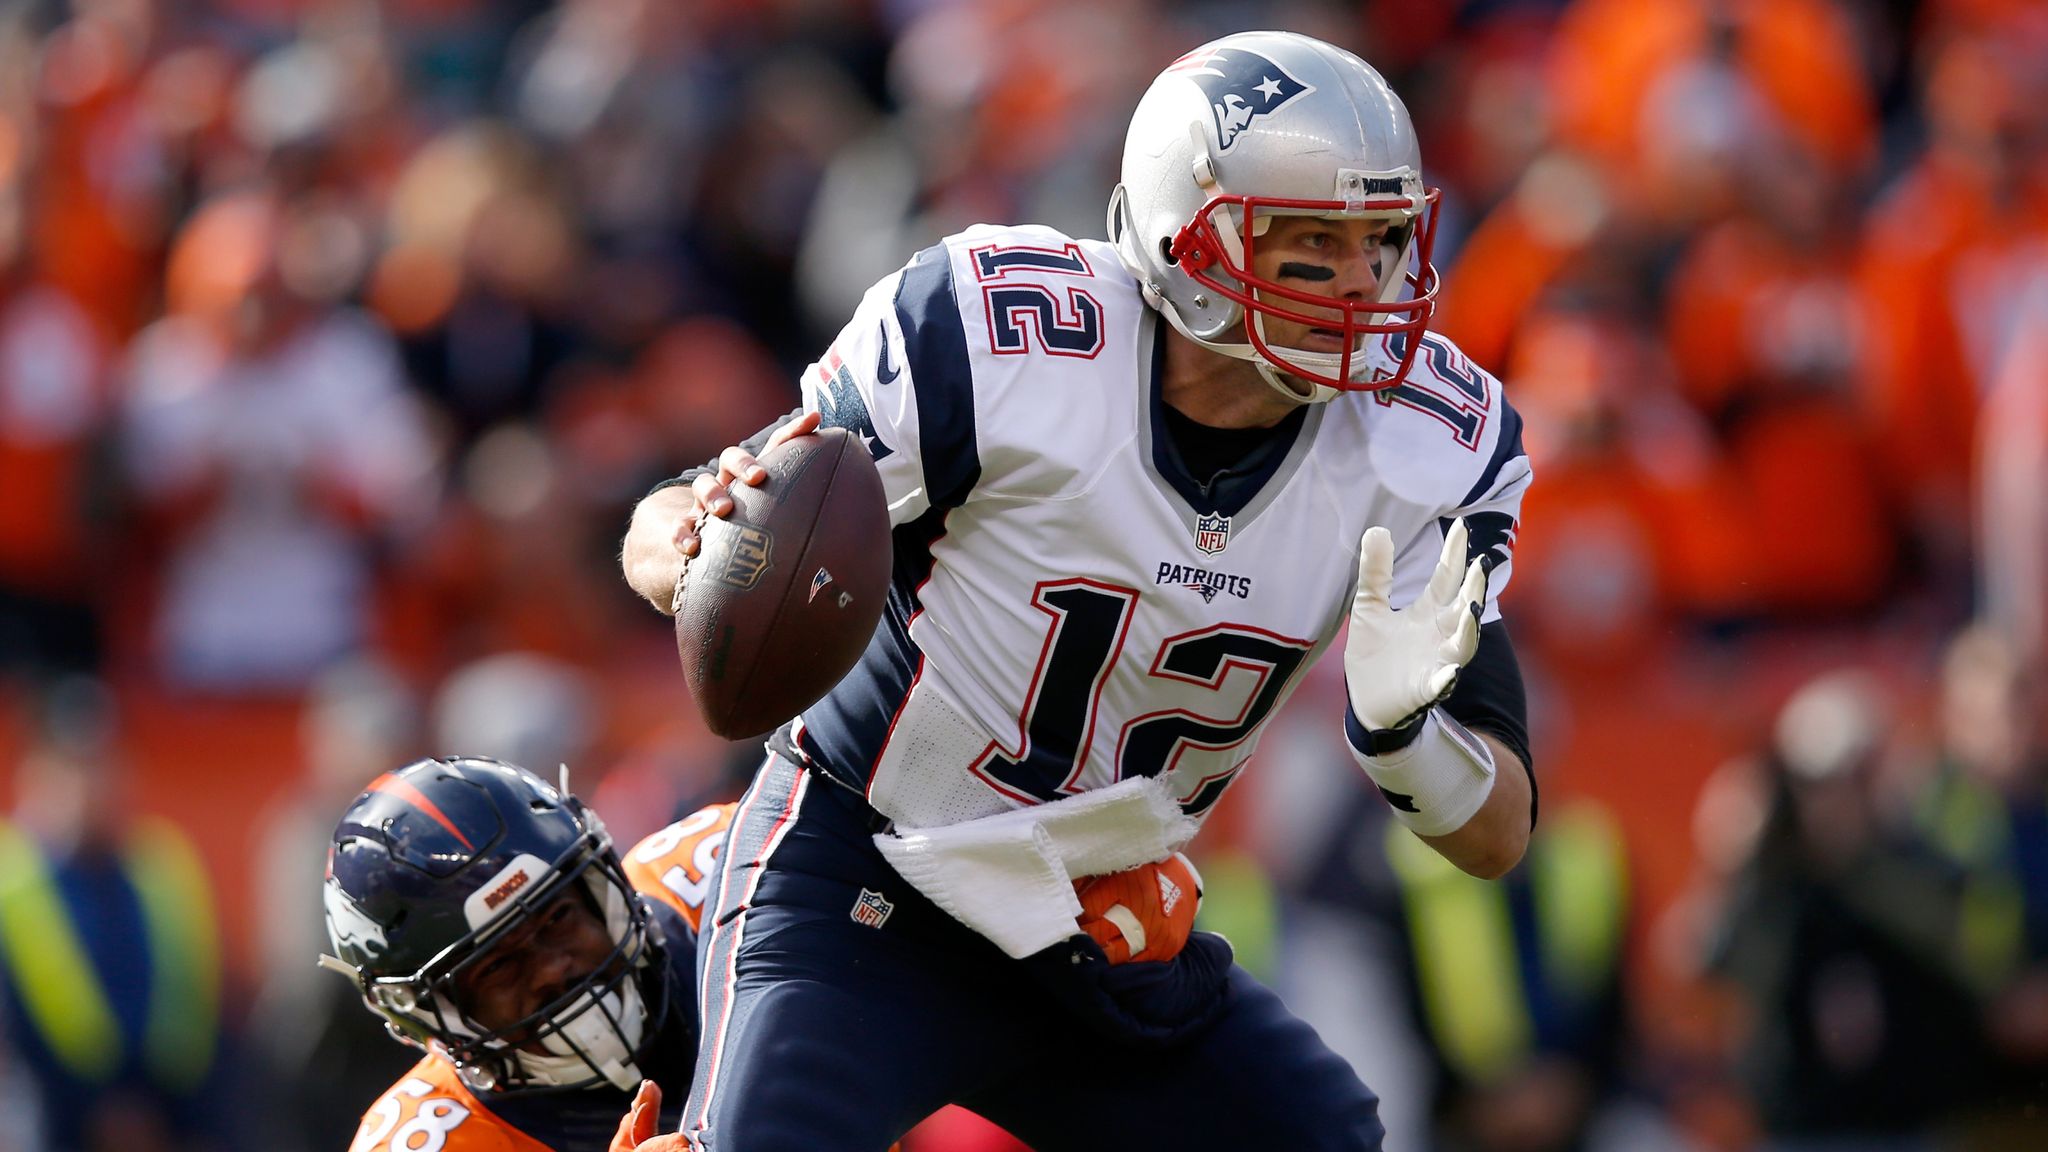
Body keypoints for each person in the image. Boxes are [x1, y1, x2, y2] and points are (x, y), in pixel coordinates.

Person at [618, 30, 1536, 1151]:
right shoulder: (998, 337)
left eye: (1382, 241)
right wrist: (708, 557)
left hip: (1100, 907)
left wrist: (1403, 745)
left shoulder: (1423, 443)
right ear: (1179, 237)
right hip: (862, 870)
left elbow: (1494, 836)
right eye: (1308, 246)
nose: (1362, 285)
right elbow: (675, 516)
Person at [320, 756, 736, 1152]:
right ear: (434, 1015)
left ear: (603, 894)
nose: (552, 968)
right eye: (498, 966)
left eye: (558, 919)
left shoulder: (720, 884)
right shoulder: (433, 1136)